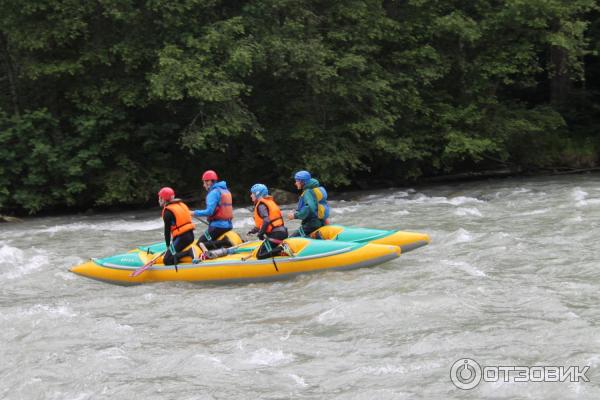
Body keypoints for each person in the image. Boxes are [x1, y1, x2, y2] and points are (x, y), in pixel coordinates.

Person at [190, 170, 234, 249]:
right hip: (228, 225)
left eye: (204, 182)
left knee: (199, 244)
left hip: (217, 226)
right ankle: (221, 246)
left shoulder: (213, 193)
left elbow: (209, 212)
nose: (203, 185)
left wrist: (193, 213)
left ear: (209, 182)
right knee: (209, 241)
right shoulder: (225, 190)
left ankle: (225, 242)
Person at [247, 183, 289, 259]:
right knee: (266, 250)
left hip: (276, 234)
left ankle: (281, 249)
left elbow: (266, 221)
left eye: (252, 194)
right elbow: (263, 223)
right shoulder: (269, 202)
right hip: (282, 232)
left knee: (260, 255)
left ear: (257, 194)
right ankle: (280, 251)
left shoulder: (261, 205)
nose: (251, 196)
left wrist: (260, 233)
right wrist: (253, 231)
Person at [158, 187, 195, 265]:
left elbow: (167, 232)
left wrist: (168, 247)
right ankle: (182, 256)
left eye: (160, 198)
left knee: (167, 260)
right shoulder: (181, 204)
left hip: (182, 238)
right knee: (172, 251)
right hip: (190, 236)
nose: (159, 200)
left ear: (163, 199)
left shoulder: (167, 212)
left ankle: (188, 252)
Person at [286, 170, 330, 237]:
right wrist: (297, 211)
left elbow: (309, 208)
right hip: (321, 222)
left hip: (311, 225)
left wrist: (294, 215)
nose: (295, 183)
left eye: (297, 181)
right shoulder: (315, 189)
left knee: (290, 240)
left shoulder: (308, 192)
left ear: (302, 182)